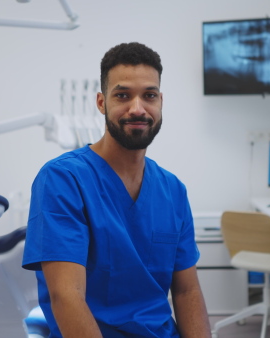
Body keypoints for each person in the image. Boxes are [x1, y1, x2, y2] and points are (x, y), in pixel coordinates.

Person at [22, 42, 211, 337]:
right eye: (122, 95)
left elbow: (187, 292)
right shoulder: (63, 180)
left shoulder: (173, 190)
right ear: (101, 102)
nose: (137, 108)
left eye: (149, 96)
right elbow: (66, 296)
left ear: (160, 102)